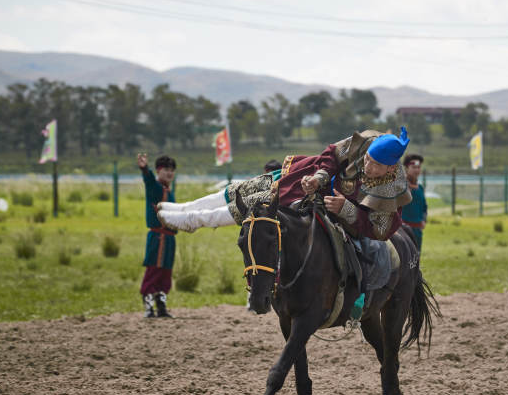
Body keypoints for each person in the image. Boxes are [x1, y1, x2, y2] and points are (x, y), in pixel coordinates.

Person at [157, 127, 413, 242]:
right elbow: (331, 156)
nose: (367, 166)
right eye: (367, 160)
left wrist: (347, 208)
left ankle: (194, 220)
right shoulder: (364, 143)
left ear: (390, 168)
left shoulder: (392, 190)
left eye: (375, 166)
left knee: (254, 204)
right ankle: (185, 208)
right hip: (308, 176)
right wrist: (320, 177)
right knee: (244, 188)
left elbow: (381, 230)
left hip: (331, 211)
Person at [137, 153, 177, 318]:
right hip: (157, 238)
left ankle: (161, 306)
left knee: (166, 273)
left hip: (169, 238)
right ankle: (148, 307)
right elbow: (148, 180)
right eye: (166, 170)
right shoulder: (155, 187)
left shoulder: (169, 192)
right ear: (158, 171)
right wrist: (144, 168)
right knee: (154, 270)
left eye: (172, 170)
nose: (169, 173)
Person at [401, 154, 428, 252]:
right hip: (402, 231)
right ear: (406, 168)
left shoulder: (420, 188)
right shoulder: (400, 187)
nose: (417, 170)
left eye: (419, 167)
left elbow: (424, 207)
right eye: (413, 167)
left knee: (416, 260)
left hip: (417, 231)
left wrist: (423, 220)